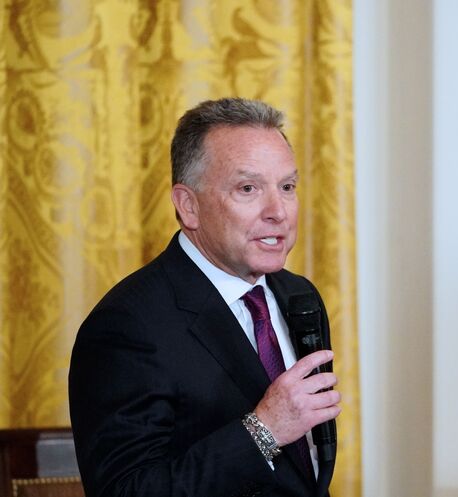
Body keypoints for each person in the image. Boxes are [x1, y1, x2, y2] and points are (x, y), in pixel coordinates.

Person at [69, 98, 340, 497]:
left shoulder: (298, 296)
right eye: (248, 189)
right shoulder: (127, 325)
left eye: (287, 187)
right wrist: (263, 431)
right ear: (188, 206)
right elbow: (126, 490)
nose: (278, 211)